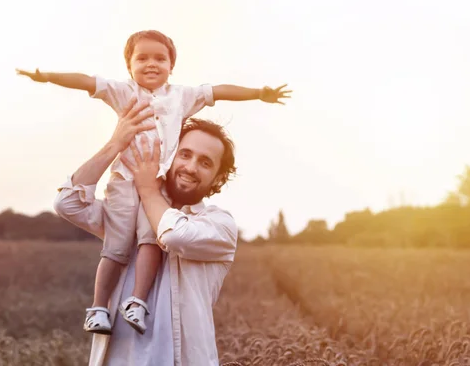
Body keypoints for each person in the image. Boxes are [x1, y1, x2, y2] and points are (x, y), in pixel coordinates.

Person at [17, 30, 291, 335]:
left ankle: (137, 301)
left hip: (157, 186)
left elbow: (219, 91)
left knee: (152, 239)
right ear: (128, 66)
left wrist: (258, 93)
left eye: (160, 58)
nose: (151, 64)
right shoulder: (122, 92)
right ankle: (98, 309)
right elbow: (86, 81)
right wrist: (47, 76)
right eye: (142, 58)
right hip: (123, 184)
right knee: (115, 248)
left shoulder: (182, 96)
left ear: (172, 66)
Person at [53, 98, 241, 365]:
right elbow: (67, 203)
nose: (190, 167)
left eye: (205, 163)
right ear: (170, 154)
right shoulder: (129, 216)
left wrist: (149, 190)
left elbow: (173, 234)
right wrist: (115, 145)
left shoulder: (219, 225)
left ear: (218, 178)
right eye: (184, 154)